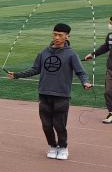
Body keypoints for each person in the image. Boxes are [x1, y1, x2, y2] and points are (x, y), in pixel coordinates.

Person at [8, 23, 92, 160]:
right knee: (46, 125)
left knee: (59, 125)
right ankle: (52, 146)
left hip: (62, 95)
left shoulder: (71, 54)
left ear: (67, 36)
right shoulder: (43, 52)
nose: (57, 37)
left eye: (60, 35)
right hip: (44, 94)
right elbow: (35, 69)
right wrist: (17, 75)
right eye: (55, 34)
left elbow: (81, 72)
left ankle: (63, 147)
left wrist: (85, 82)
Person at [83, 14, 112, 124]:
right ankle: (111, 113)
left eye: (111, 23)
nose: (109, 24)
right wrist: (92, 54)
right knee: (108, 92)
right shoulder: (110, 36)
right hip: (111, 69)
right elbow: (106, 47)